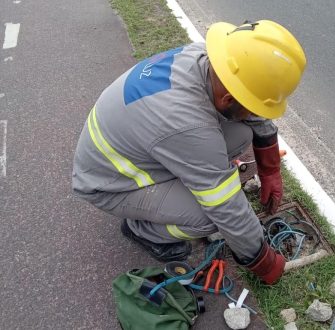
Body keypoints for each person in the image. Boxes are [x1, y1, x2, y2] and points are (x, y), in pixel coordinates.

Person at [72, 20, 306, 284]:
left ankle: (180, 187)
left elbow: (248, 103)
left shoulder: (208, 59)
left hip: (138, 145)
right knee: (209, 217)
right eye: (252, 107)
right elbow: (225, 206)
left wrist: (270, 168)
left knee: (241, 133)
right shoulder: (187, 124)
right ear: (228, 98)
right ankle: (143, 229)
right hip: (110, 184)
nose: (256, 115)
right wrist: (262, 260)